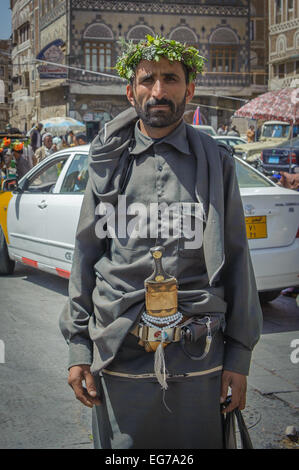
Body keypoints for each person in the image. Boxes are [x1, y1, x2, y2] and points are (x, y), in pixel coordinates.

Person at [59, 35, 262, 450]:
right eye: (148, 79)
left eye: (170, 78)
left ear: (189, 89)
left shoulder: (216, 163)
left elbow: (238, 260)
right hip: (119, 349)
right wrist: (79, 347)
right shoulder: (107, 164)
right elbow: (86, 255)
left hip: (198, 352)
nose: (158, 90)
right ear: (130, 91)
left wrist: (238, 358)